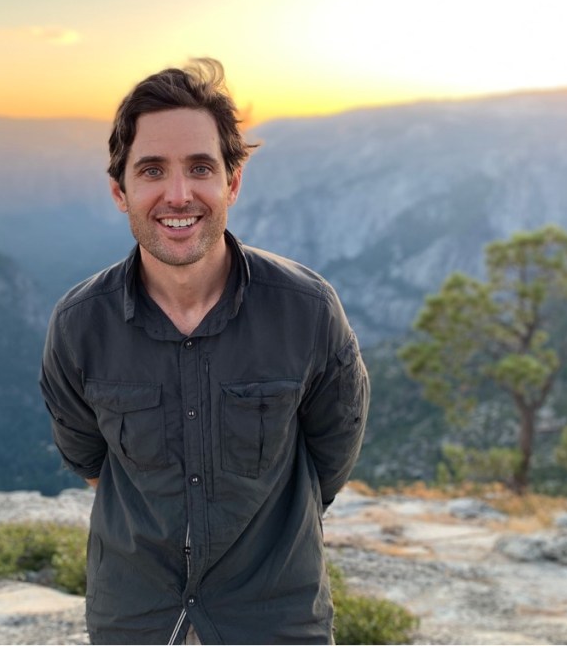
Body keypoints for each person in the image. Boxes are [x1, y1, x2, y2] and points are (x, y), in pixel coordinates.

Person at [39, 58, 369, 645]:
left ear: (232, 183)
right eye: (151, 171)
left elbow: (330, 458)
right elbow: (91, 460)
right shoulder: (78, 327)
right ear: (121, 191)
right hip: (135, 616)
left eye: (200, 168)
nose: (178, 194)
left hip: (274, 618)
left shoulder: (308, 312)